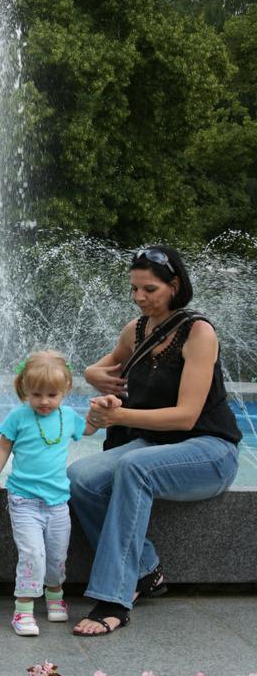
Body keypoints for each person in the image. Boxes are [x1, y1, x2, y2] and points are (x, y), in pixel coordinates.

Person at [68, 245, 242, 637]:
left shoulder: (199, 333)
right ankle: (146, 570)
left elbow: (186, 416)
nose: (139, 297)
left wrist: (119, 416)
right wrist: (94, 376)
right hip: (154, 445)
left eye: (150, 289)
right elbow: (101, 367)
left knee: (135, 467)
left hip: (209, 450)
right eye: (134, 289)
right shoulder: (136, 330)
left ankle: (114, 598)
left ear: (174, 285)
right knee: (80, 477)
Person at [0, 350, 97, 636]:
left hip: (58, 503)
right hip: (24, 501)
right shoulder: (18, 417)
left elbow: (90, 429)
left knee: (56, 556)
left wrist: (103, 412)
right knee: (32, 555)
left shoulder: (68, 417)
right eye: (36, 394)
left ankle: (55, 597)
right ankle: (23, 609)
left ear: (66, 389)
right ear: (25, 389)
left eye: (52, 395)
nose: (44, 401)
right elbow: (2, 448)